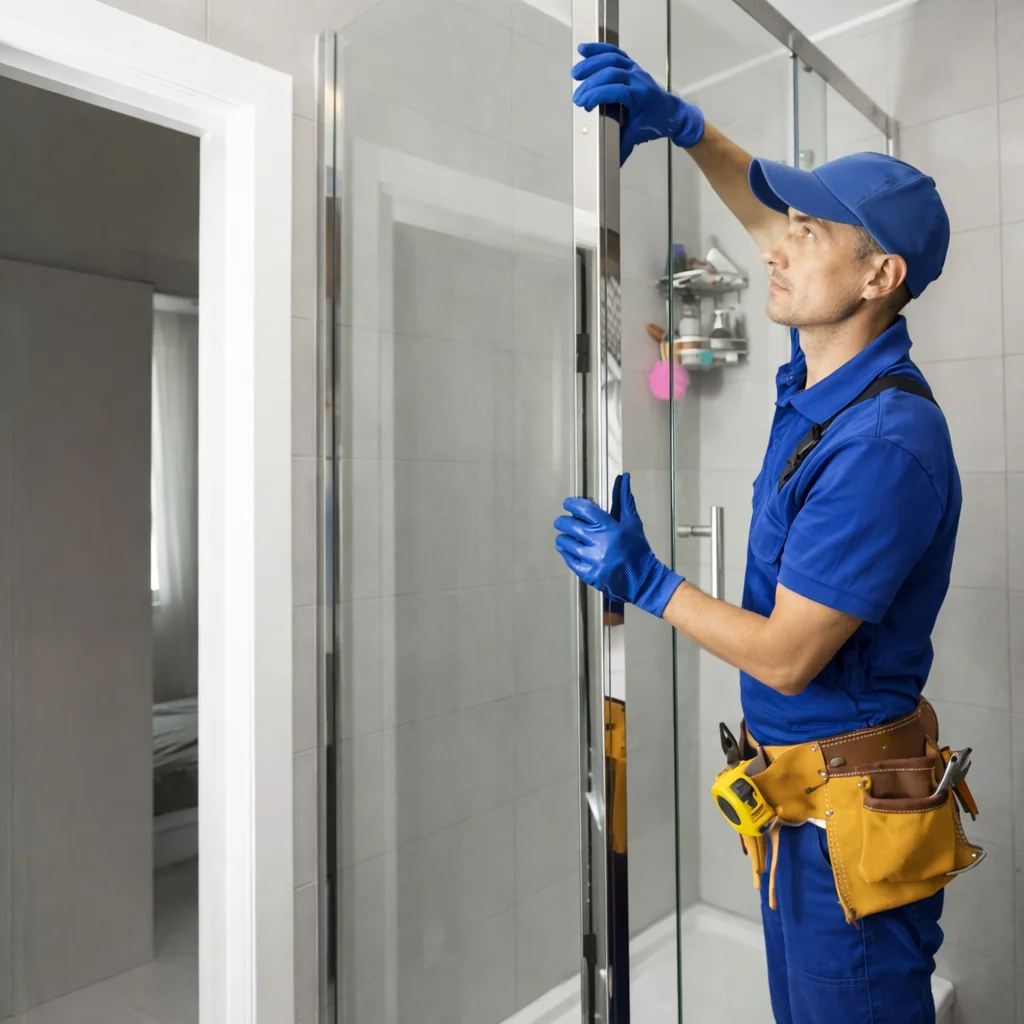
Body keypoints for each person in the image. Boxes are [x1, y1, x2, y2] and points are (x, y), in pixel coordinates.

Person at [555, 43, 963, 1024]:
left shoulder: (883, 443)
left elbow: (786, 657)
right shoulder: (823, 371)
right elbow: (769, 226)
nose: (776, 247)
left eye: (810, 230)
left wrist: (648, 582)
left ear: (879, 275)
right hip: (794, 813)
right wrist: (688, 129)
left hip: (845, 831)